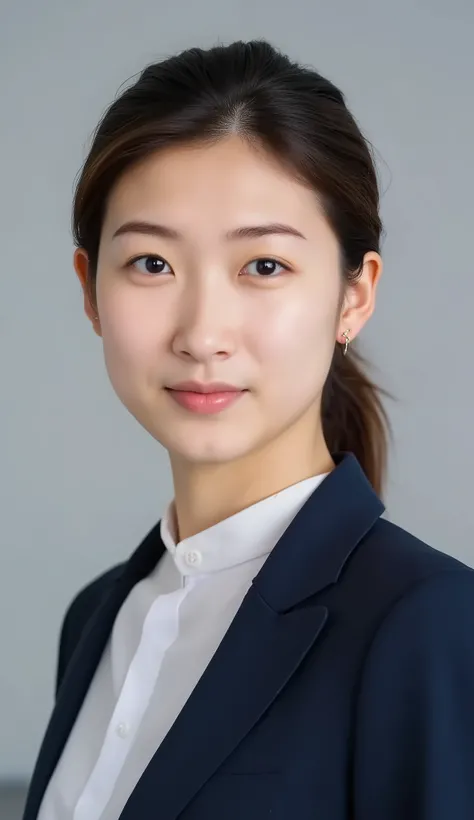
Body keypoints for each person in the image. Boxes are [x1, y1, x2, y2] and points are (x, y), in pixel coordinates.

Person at [23, 39, 474, 820]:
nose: (202, 334)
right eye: (152, 264)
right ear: (89, 291)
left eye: (263, 266)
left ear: (353, 296)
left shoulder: (428, 626)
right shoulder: (97, 618)